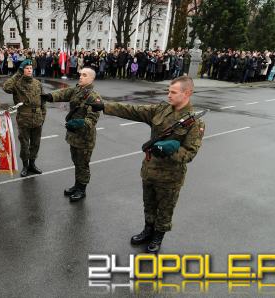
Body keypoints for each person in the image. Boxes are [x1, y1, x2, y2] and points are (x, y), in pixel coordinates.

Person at [87, 76, 205, 253]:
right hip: (149, 170)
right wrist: (105, 106)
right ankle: (148, 230)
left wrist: (171, 149)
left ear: (187, 93)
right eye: (168, 90)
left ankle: (158, 237)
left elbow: (190, 153)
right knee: (148, 204)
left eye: (173, 92)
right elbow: (134, 109)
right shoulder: (161, 109)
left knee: (165, 209)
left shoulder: (194, 123)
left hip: (170, 176)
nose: (169, 95)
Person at [40, 67, 101, 202]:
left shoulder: (94, 97)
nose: (80, 77)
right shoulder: (77, 90)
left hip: (85, 138)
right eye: (80, 75)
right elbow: (64, 93)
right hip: (74, 135)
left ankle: (82, 190)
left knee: (83, 164)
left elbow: (92, 120)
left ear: (91, 79)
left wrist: (79, 123)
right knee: (76, 162)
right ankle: (77, 185)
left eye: (84, 75)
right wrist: (50, 96)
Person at [3, 59, 46, 177]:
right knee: (24, 144)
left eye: (31, 68)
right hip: (23, 117)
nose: (29, 70)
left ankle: (32, 164)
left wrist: (43, 117)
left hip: (37, 117)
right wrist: (18, 73)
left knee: (35, 143)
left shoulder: (38, 83)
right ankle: (25, 166)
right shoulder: (17, 83)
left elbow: (43, 102)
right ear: (23, 70)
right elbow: (6, 87)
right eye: (27, 68)